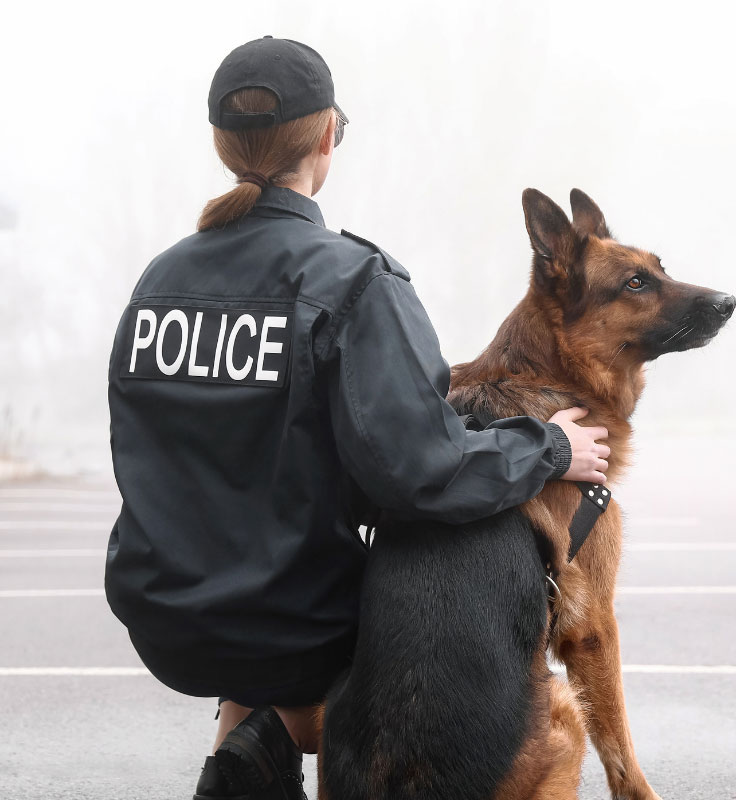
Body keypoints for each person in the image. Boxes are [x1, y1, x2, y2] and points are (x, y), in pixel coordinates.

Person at [104, 36, 609, 800]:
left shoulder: (159, 282)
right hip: (295, 622)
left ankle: (244, 762)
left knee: (260, 624)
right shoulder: (352, 279)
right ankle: (268, 747)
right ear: (328, 138)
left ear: (220, 144)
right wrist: (548, 447)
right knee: (414, 603)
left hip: (162, 614)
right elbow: (422, 473)